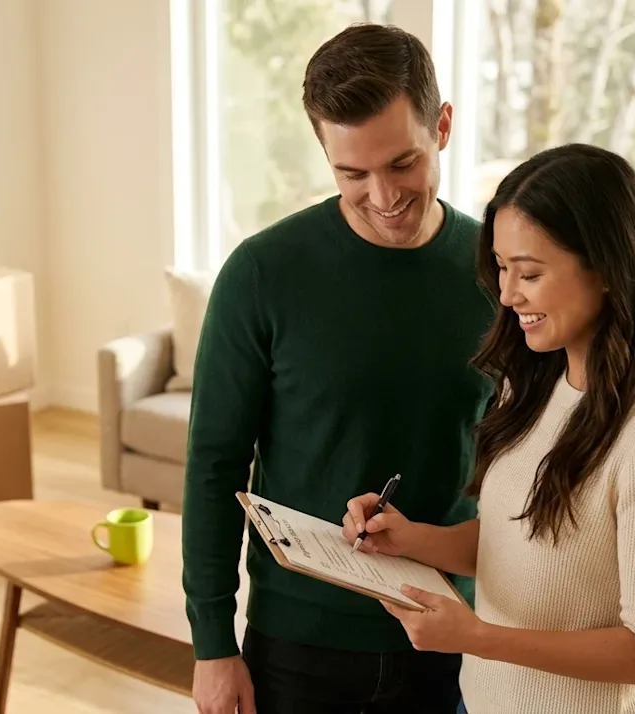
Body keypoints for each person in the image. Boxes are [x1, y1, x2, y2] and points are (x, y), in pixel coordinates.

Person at [341, 143, 635, 714]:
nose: (507, 294)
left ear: (608, 271)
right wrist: (413, 538)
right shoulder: (535, 380)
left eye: (530, 273)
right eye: (500, 267)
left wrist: (476, 637)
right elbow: (518, 542)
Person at [181, 22, 496, 714]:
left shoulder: (500, 274)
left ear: (442, 126)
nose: (382, 196)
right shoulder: (262, 274)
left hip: (452, 639)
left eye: (402, 164)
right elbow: (214, 463)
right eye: (352, 174)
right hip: (297, 643)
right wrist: (212, 644)